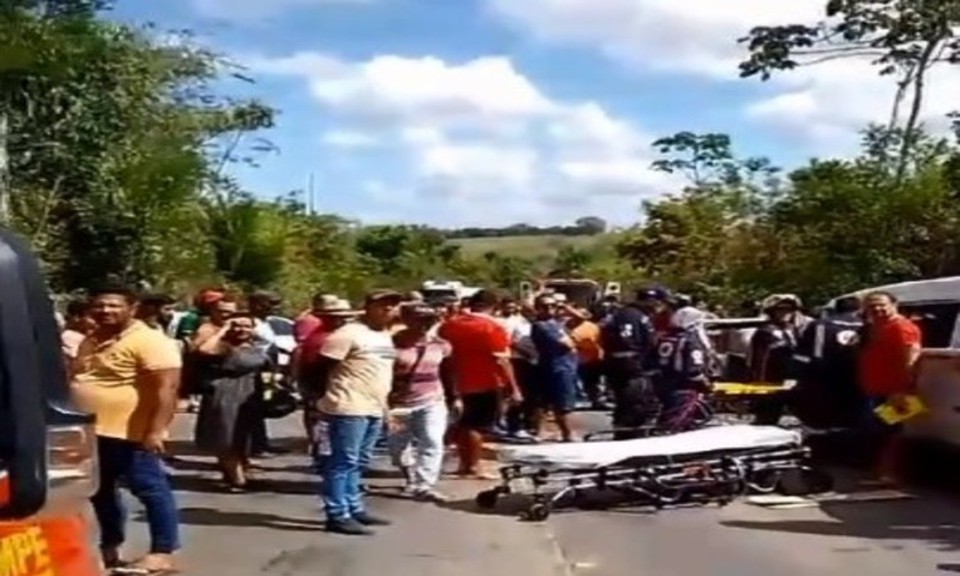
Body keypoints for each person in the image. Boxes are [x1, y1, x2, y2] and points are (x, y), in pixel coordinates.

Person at [70, 287, 183, 573]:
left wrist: (156, 430)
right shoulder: (94, 338)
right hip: (92, 431)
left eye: (113, 306)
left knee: (150, 489)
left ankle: (162, 551)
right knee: (101, 491)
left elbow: (166, 388)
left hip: (130, 432)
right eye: (100, 306)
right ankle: (110, 546)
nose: (105, 311)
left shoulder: (149, 341)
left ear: (132, 308)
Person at [315, 290, 402, 535]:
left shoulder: (384, 335)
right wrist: (319, 400)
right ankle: (337, 514)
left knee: (360, 462)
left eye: (392, 306)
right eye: (382, 305)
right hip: (347, 407)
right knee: (343, 462)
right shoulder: (347, 334)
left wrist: (386, 409)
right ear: (367, 306)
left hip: (373, 407)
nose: (388, 309)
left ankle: (354, 507)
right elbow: (319, 368)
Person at [439, 289, 521, 479]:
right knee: (477, 425)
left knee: (463, 424)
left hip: (453, 380)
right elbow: (501, 360)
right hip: (485, 381)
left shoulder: (449, 324)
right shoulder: (493, 326)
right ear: (494, 306)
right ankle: (474, 467)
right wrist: (514, 387)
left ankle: (463, 463)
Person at [193, 312, 271, 492]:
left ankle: (237, 474)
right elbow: (204, 350)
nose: (242, 329)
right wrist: (224, 329)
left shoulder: (254, 346)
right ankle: (238, 481)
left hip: (249, 395)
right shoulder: (223, 346)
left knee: (244, 438)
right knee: (227, 438)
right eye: (237, 325)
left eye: (247, 326)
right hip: (226, 395)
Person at [388, 304, 453, 502]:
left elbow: (448, 372)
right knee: (398, 447)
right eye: (420, 319)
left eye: (429, 320)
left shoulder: (441, 345)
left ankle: (424, 484)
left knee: (432, 440)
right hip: (398, 404)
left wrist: (455, 397)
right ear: (406, 320)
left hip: (432, 400)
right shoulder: (392, 344)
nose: (425, 325)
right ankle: (410, 478)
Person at [857, 290, 922, 486]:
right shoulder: (875, 327)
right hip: (875, 389)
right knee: (877, 432)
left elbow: (911, 356)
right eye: (872, 306)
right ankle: (879, 472)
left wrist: (904, 389)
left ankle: (889, 474)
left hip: (894, 391)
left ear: (894, 305)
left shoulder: (902, 327)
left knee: (890, 433)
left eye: (881, 304)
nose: (877, 308)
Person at [787, 296, 864, 429]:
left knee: (824, 420)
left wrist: (795, 375)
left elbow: (802, 355)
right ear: (859, 309)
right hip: (856, 377)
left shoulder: (819, 325)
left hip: (822, 378)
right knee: (853, 419)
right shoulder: (866, 324)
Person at [601, 289, 658, 439]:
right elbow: (629, 342)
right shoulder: (633, 316)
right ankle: (629, 434)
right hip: (631, 366)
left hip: (624, 365)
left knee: (629, 402)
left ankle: (627, 431)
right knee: (634, 402)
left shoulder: (628, 314)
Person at [648, 308, 713, 433]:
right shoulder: (690, 340)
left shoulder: (665, 337)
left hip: (663, 383)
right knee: (678, 421)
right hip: (683, 386)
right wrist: (704, 382)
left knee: (666, 415)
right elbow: (694, 367)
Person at [748, 294, 805, 425]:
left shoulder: (795, 330)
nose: (785, 313)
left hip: (793, 380)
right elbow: (758, 361)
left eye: (789, 310)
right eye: (780, 310)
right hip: (771, 381)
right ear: (772, 312)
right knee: (767, 417)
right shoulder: (765, 332)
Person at [530, 294, 580, 442]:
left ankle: (540, 432)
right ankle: (567, 434)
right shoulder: (542, 325)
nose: (550, 309)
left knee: (549, 401)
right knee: (562, 403)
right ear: (538, 309)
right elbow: (568, 344)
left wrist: (565, 307)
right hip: (557, 367)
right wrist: (571, 341)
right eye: (545, 306)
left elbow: (582, 319)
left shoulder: (557, 323)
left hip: (566, 366)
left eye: (553, 306)